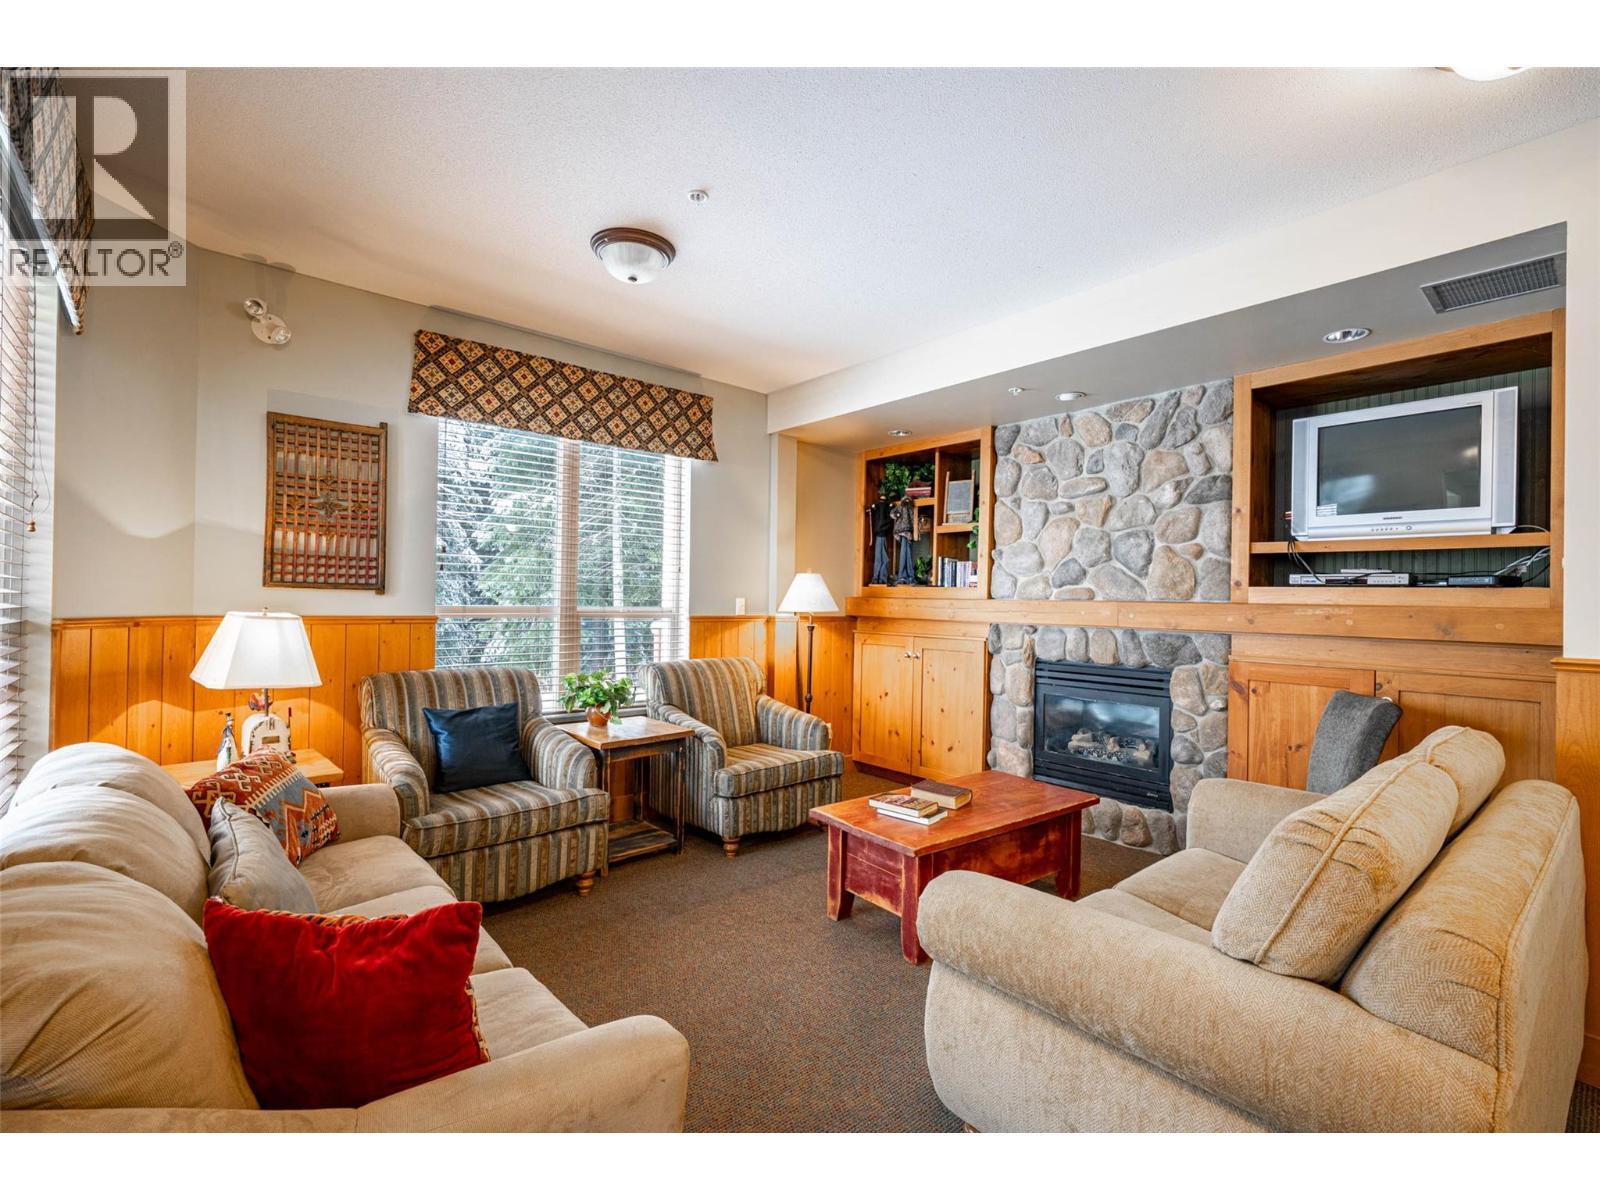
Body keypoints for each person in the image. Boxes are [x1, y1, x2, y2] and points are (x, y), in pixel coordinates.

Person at [866, 492, 895, 585]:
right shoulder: (885, 505)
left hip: (880, 532)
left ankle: (878, 578)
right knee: (882, 557)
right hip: (882, 532)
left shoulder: (878, 505)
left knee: (881, 557)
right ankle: (879, 578)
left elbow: (872, 509)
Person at [892, 496, 917, 585]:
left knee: (907, 553)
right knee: (905, 553)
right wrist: (897, 515)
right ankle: (905, 575)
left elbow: (913, 519)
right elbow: (892, 513)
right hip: (903, 532)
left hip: (905, 532)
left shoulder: (909, 508)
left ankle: (906, 575)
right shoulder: (903, 508)